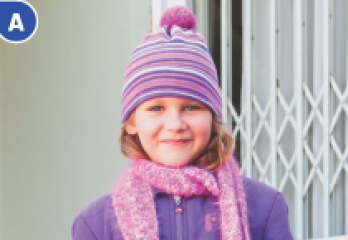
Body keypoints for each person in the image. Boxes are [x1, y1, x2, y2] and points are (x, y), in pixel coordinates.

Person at [71, 5, 293, 240]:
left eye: (191, 107)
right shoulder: (96, 225)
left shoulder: (264, 208)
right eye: (156, 108)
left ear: (213, 117)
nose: (175, 124)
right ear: (131, 122)